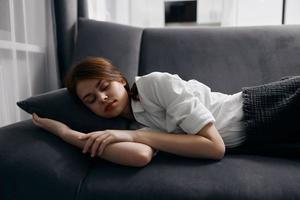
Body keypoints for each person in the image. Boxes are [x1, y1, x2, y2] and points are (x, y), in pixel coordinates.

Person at [32, 57, 300, 167]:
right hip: (266, 137)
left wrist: (136, 137)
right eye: (91, 99)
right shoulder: (135, 128)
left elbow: (214, 147)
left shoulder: (154, 84)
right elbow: (139, 157)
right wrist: (66, 132)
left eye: (104, 87)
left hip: (266, 107)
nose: (102, 98)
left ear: (121, 80)